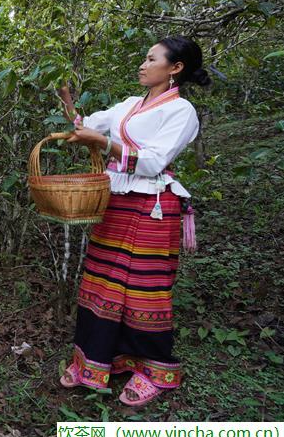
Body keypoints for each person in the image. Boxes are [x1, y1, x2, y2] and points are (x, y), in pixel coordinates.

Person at [56, 36, 210, 406]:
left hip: (153, 206)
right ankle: (97, 359)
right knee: (103, 281)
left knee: (143, 288)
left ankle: (155, 370)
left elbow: (154, 161)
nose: (143, 64)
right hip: (118, 201)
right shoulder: (129, 105)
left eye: (151, 59)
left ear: (175, 69)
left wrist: (103, 142)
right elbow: (87, 125)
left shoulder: (181, 112)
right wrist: (68, 104)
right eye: (144, 58)